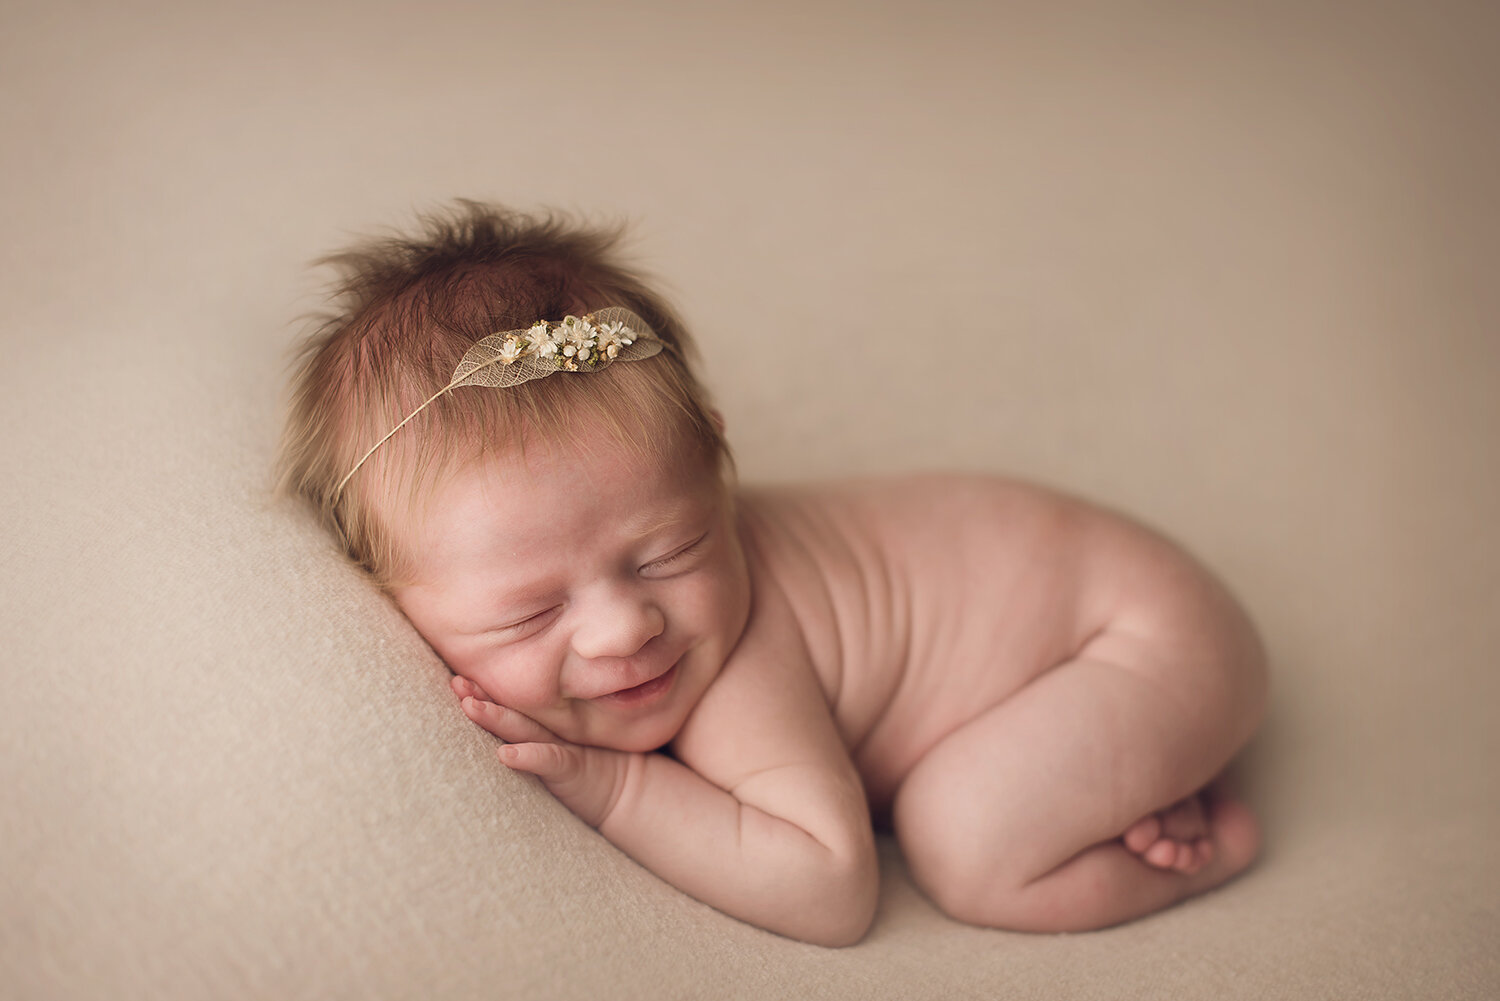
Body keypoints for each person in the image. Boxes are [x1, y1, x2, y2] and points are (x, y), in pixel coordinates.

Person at [278, 201, 1269, 946]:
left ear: (717, 463)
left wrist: (615, 790)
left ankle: (1209, 834)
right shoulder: (622, 595)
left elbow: (830, 888)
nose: (626, 629)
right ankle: (1117, 763)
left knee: (968, 842)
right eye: (530, 609)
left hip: (1142, 634)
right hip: (1092, 629)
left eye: (671, 553)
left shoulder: (739, 666)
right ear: (385, 587)